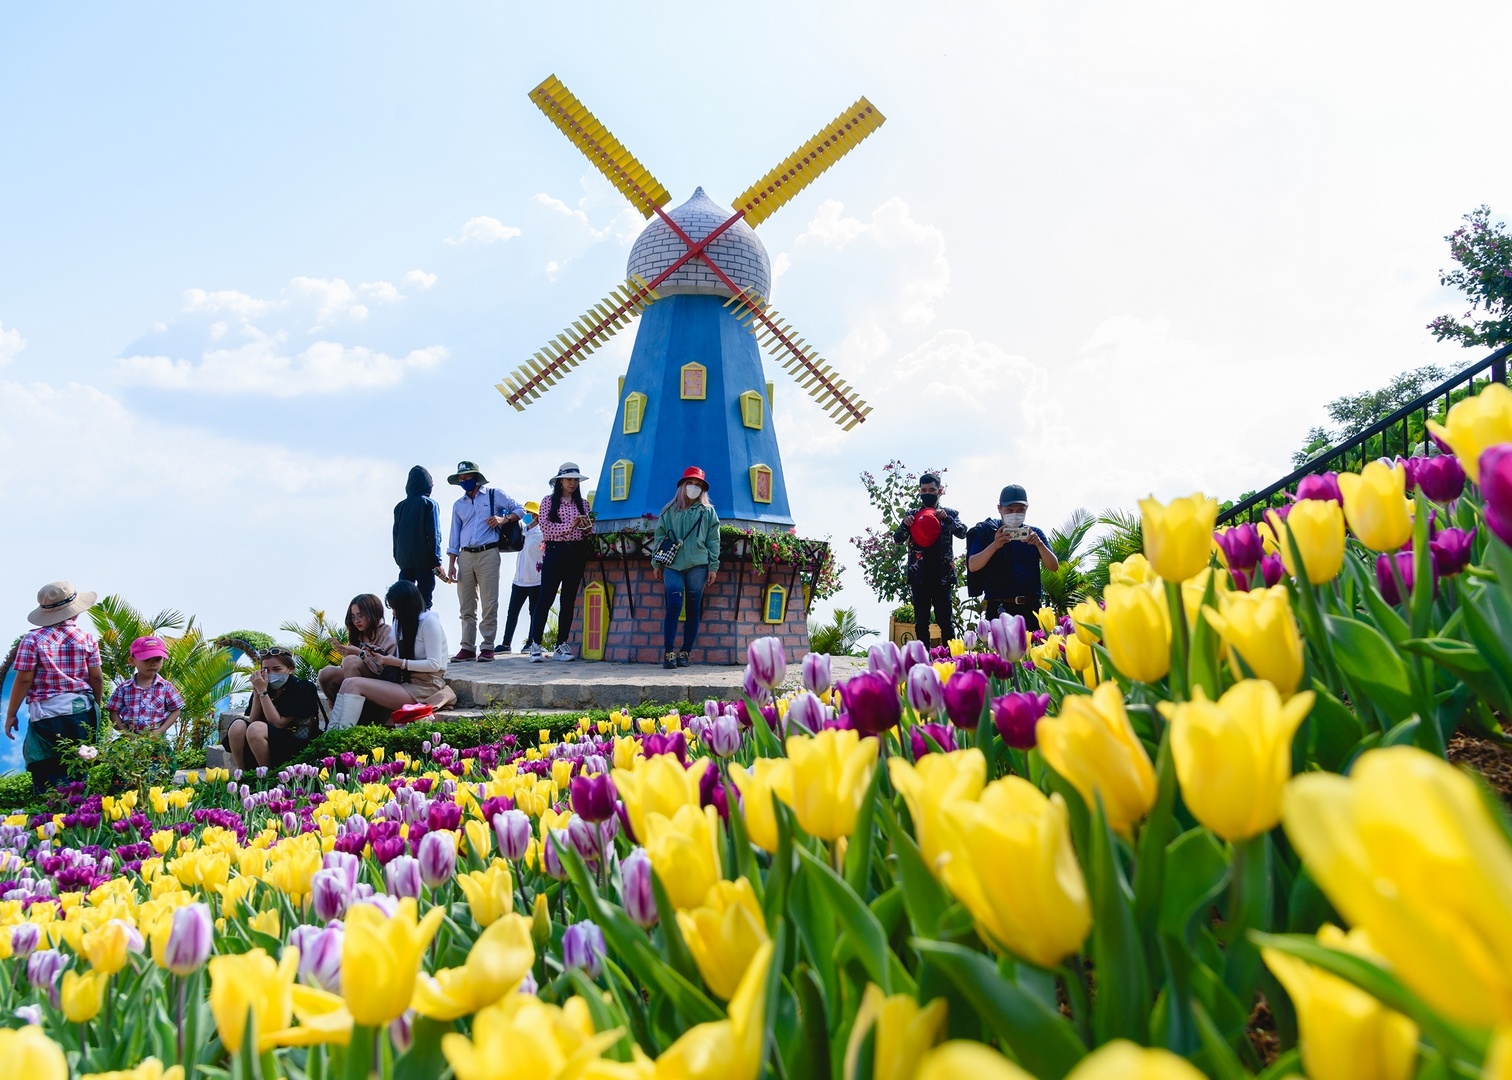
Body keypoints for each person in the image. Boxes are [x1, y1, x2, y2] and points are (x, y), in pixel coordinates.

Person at [4, 581, 104, 795]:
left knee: (48, 768)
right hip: (81, 713)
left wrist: (11, 714)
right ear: (75, 612)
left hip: (47, 715)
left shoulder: (32, 640)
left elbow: (23, 680)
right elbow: (96, 678)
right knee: (80, 766)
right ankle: (81, 816)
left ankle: (51, 815)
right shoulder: (87, 639)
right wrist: (96, 707)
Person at [326, 580, 450, 726]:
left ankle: (345, 734)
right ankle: (332, 733)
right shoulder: (401, 624)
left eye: (396, 608)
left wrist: (398, 662)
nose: (394, 612)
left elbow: (434, 664)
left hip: (426, 686)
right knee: (348, 682)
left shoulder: (429, 622)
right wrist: (377, 655)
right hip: (405, 683)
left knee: (354, 684)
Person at [445, 460, 525, 663]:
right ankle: (467, 647)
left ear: (476, 478)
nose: (464, 481)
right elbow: (454, 536)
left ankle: (487, 646)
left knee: (489, 602)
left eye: (467, 477)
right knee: (466, 605)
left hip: (488, 552)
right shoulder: (458, 505)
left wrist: (503, 519)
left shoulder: (493, 495)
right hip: (465, 556)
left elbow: (520, 509)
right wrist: (451, 564)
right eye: (461, 478)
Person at [652, 467, 720, 669]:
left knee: (693, 608)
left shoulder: (708, 512)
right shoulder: (668, 510)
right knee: (673, 604)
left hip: (698, 564)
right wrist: (656, 563)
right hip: (672, 564)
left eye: (699, 485)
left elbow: (713, 540)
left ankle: (685, 652)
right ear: (683, 485)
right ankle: (668, 652)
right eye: (691, 483)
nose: (694, 487)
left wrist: (713, 566)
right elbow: (659, 537)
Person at [528, 462, 595, 663]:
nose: (573, 483)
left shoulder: (583, 504)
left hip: (576, 551)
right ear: (560, 481)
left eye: (575, 480)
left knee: (568, 599)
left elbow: (588, 532)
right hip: (555, 551)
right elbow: (546, 530)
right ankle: (535, 644)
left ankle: (561, 644)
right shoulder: (548, 502)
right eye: (569, 479)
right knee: (545, 598)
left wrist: (584, 526)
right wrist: (569, 526)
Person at [893, 472, 967, 646]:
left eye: (932, 489)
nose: (928, 493)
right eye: (924, 489)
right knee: (921, 623)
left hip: (942, 577)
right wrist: (905, 524)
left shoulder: (949, 513)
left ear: (939, 490)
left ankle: (952, 661)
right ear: (919, 491)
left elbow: (963, 532)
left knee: (945, 622)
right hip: (919, 577)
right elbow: (897, 538)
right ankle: (923, 659)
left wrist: (947, 519)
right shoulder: (912, 514)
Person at [967, 484, 1060, 621]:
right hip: (999, 607)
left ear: (1027, 509)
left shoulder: (1035, 534)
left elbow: (1054, 566)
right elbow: (973, 565)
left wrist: (1039, 544)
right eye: (1009, 510)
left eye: (1020, 510)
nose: (1015, 514)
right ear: (999, 508)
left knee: (1035, 643)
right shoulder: (987, 532)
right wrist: (995, 545)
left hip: (1031, 608)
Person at [225, 646, 322, 771]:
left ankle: (268, 775)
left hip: (295, 741)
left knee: (256, 729)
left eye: (277, 669)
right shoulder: (265, 686)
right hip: (265, 739)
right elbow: (253, 719)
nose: (271, 674)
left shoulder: (302, 688)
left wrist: (262, 692)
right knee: (237, 726)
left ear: (290, 669)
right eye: (266, 670)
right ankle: (241, 773)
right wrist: (256, 693)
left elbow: (278, 723)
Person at [317, 594, 397, 702]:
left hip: (381, 682)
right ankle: (339, 707)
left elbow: (387, 669)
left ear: (373, 613)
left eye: (361, 615)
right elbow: (344, 667)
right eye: (353, 617)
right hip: (354, 680)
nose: (356, 621)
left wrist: (360, 653)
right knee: (325, 673)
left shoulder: (387, 632)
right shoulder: (357, 636)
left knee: (351, 661)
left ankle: (355, 713)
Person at [106, 636, 184, 737]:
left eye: (157, 659)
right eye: (146, 660)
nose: (152, 664)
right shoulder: (124, 688)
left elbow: (176, 710)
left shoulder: (166, 687)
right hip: (129, 740)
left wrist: (160, 731)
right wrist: (126, 733)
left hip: (155, 740)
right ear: (132, 661)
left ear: (163, 660)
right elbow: (113, 713)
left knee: (160, 753)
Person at [394, 465, 443, 610]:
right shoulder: (429, 504)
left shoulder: (399, 507)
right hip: (425, 562)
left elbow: (395, 536)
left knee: (403, 602)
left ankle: (403, 632)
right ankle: (423, 631)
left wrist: (399, 559)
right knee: (424, 603)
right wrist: (437, 561)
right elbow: (434, 534)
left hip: (404, 562)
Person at [501, 500, 543, 653]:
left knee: (534, 613)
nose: (526, 516)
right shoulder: (521, 532)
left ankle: (531, 642)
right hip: (519, 580)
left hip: (535, 580)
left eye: (529, 513)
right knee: (512, 612)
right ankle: (506, 644)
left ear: (536, 515)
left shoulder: (541, 534)